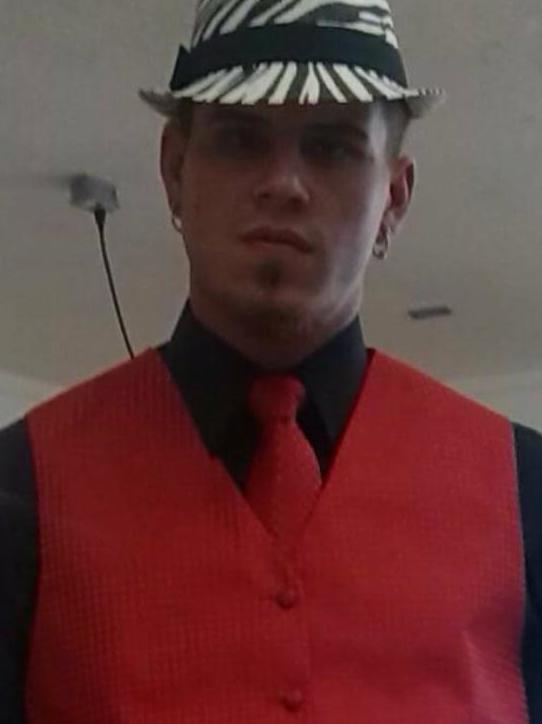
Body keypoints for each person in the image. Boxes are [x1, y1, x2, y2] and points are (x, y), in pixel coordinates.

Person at [1, 1, 541, 721]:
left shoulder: (526, 493)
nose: (284, 181)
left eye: (333, 147)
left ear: (394, 197)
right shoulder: (20, 488)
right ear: (174, 169)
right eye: (239, 139)